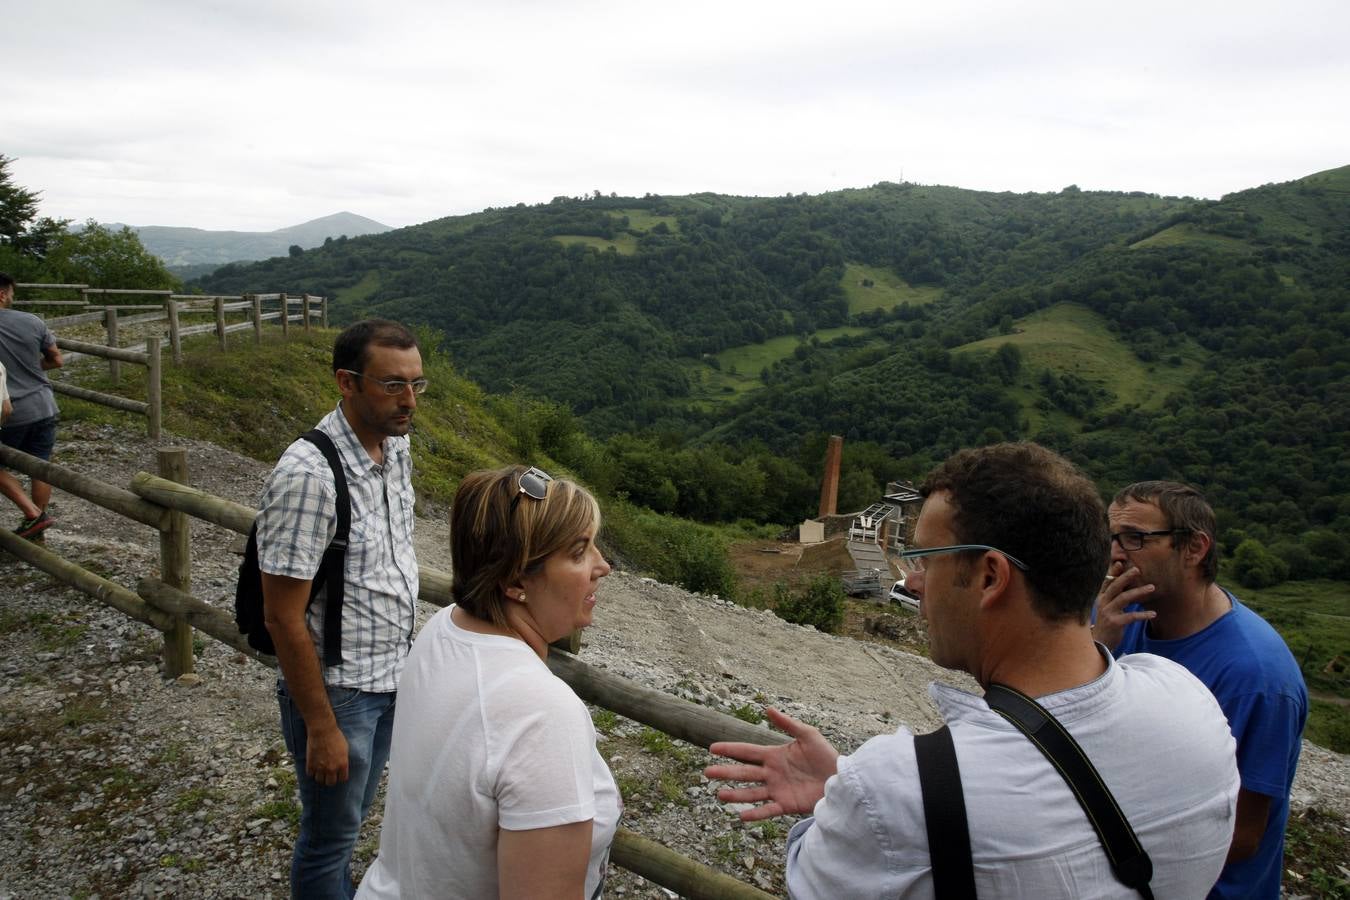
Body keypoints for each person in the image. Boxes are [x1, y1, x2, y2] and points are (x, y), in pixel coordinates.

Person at [706, 442, 1239, 899]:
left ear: (989, 576)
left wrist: (854, 801)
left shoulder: (899, 788)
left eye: (928, 561)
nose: (913, 583)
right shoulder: (1190, 701)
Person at [357, 464, 620, 900]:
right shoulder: (543, 713)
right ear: (516, 580)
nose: (603, 566)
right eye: (579, 552)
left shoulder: (444, 629)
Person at [257, 319, 423, 899]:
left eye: (416, 384)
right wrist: (322, 726)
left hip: (390, 677)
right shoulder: (308, 475)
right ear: (346, 382)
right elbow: (281, 614)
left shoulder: (395, 445)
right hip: (341, 692)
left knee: (351, 828)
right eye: (392, 385)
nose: (408, 401)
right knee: (331, 838)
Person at [1094, 481, 1308, 900]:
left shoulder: (1257, 678)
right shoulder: (1119, 614)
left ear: (1194, 548)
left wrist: (1100, 855)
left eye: (1136, 538)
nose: (1117, 553)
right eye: (1112, 538)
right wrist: (1095, 645)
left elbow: (1244, 835)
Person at [0, 272, 63, 539]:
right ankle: (38, 524)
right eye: (12, 293)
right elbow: (56, 360)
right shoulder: (32, 321)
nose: (13, 297)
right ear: (2, 294)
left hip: (9, 412)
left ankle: (33, 514)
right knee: (40, 465)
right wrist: (29, 368)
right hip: (44, 405)